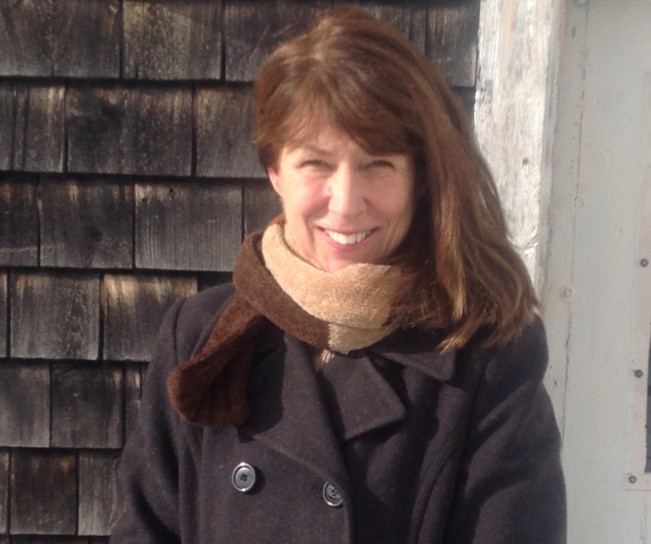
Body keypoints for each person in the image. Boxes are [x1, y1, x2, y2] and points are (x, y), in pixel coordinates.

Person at [110, 7, 565, 544]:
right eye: (316, 164)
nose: (346, 204)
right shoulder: (201, 335)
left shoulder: (487, 352)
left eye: (378, 164)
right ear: (274, 171)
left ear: (420, 177)